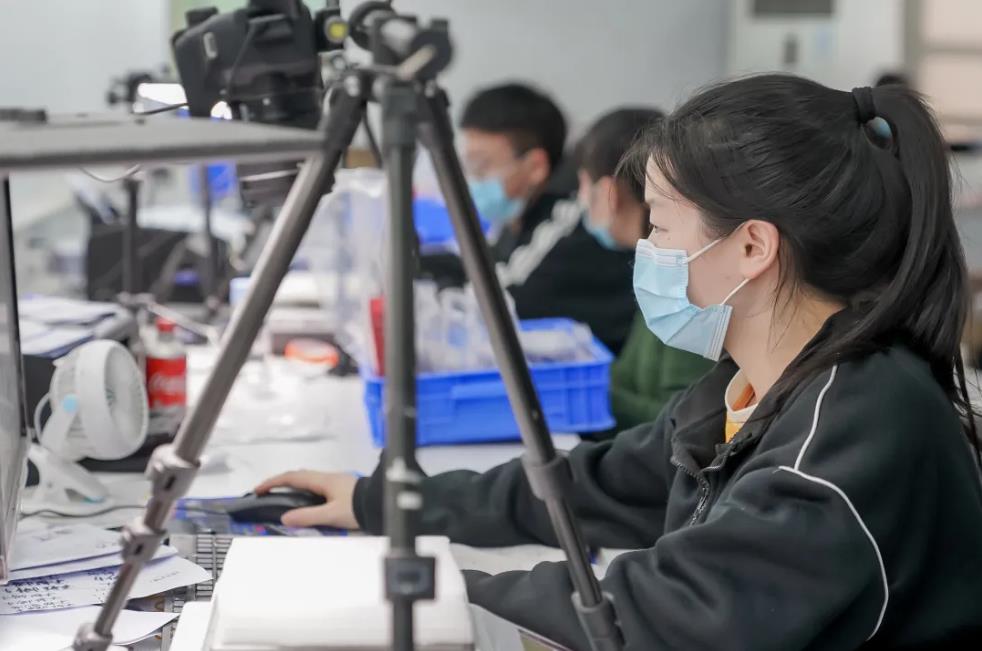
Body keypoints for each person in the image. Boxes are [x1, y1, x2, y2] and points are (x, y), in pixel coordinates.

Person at [257, 74, 982, 649]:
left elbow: (664, 610)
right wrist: (383, 502)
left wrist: (413, 592)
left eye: (659, 226)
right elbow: (595, 485)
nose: (646, 251)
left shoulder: (855, 428)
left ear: (752, 247)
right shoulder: (752, 385)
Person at [421, 83, 637, 353]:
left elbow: (504, 300)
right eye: (469, 166)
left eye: (482, 166)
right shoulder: (520, 212)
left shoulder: (569, 218)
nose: (473, 180)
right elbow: (488, 263)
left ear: (535, 166)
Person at [574, 108, 715, 430]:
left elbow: (687, 423)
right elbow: (626, 377)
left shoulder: (686, 280)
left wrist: (584, 395)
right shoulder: (653, 269)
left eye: (583, 184)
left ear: (609, 193)